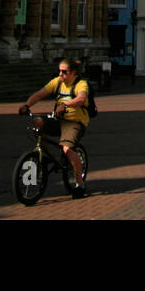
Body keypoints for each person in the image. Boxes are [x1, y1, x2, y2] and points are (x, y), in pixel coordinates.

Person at [20, 58, 89, 195]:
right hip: (58, 119)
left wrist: (66, 105)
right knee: (38, 122)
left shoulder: (81, 84)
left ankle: (80, 184)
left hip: (75, 121)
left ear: (73, 72)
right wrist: (27, 105)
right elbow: (39, 94)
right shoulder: (57, 82)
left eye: (64, 71)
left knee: (67, 149)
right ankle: (45, 155)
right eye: (59, 71)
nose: (60, 74)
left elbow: (81, 98)